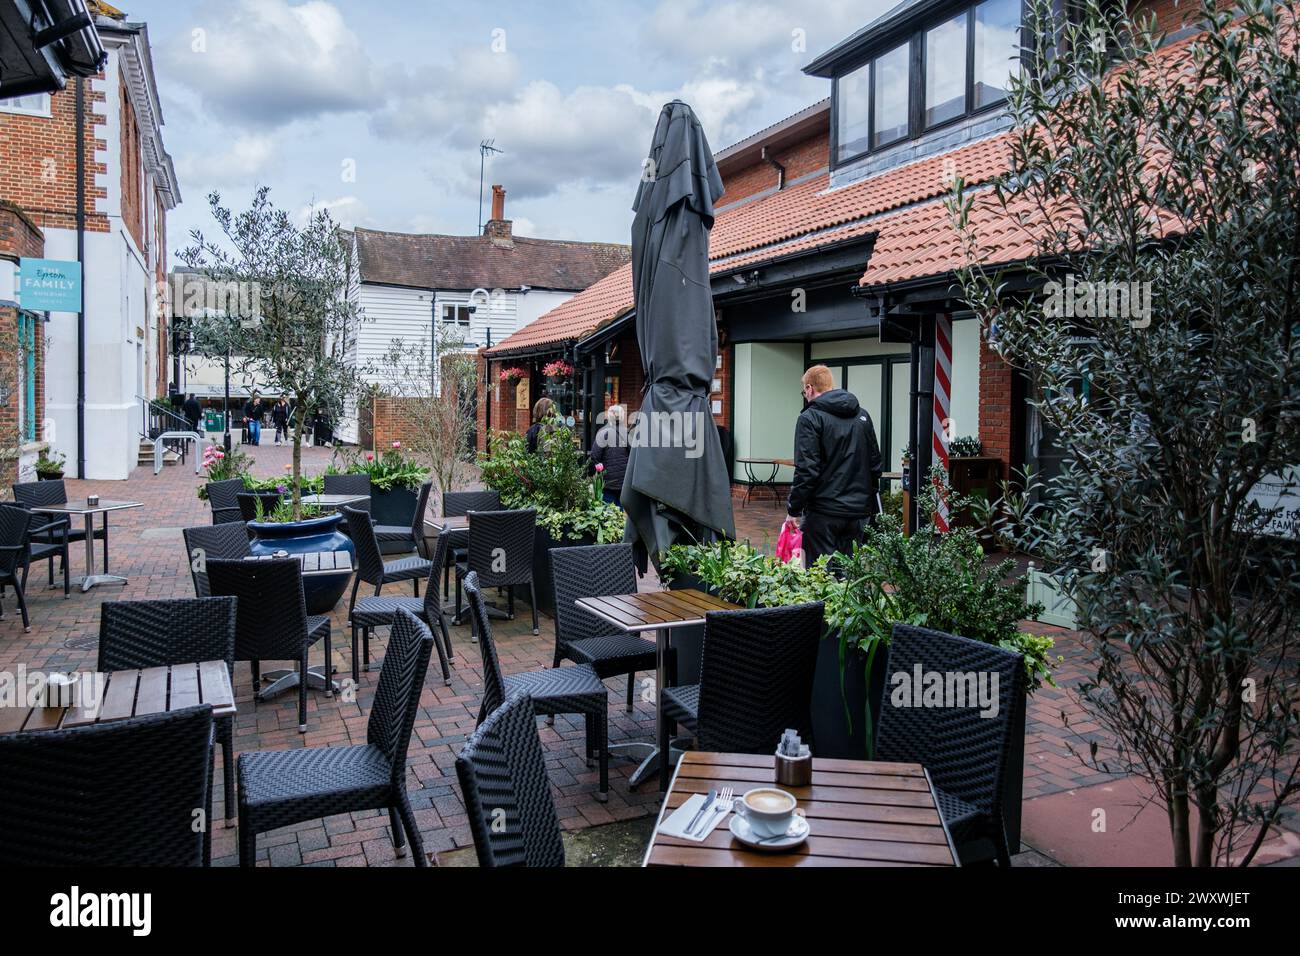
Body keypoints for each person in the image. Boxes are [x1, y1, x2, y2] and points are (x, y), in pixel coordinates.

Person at [784, 364, 882, 569]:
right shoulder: (862, 416)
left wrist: (794, 509)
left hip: (824, 512)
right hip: (858, 513)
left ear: (810, 388)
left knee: (820, 575)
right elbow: (875, 464)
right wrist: (866, 502)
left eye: (804, 391)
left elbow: (807, 470)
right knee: (848, 573)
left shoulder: (809, 418)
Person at [588, 403, 629, 505]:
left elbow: (594, 457)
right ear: (622, 417)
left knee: (608, 512)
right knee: (620, 513)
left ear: (609, 417)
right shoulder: (628, 434)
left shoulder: (603, 433)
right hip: (624, 481)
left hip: (607, 481)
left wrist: (594, 474)